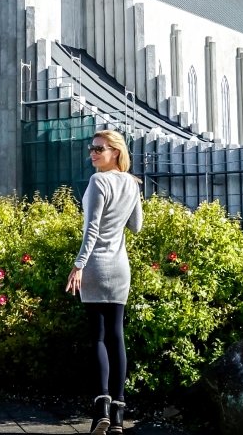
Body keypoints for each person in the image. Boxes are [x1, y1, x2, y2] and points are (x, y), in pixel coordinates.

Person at [65, 129, 143, 434]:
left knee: (98, 338)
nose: (93, 153)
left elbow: (91, 230)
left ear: (116, 152)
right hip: (120, 268)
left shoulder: (98, 181)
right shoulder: (132, 184)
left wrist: (78, 265)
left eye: (99, 149)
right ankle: (120, 416)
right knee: (117, 336)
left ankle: (101, 413)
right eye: (92, 148)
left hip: (96, 267)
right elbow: (136, 226)